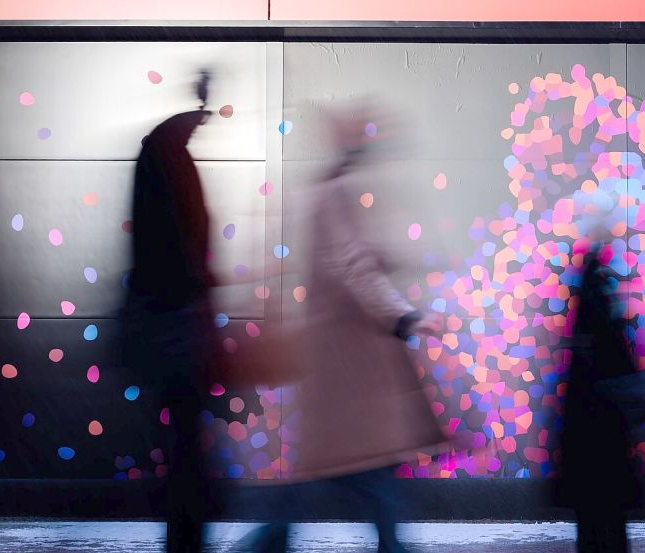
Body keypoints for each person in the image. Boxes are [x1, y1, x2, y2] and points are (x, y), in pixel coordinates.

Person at [233, 105, 446, 553]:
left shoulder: (331, 191)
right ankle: (275, 541)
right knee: (361, 465)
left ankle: (274, 540)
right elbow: (353, 266)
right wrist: (404, 316)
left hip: (345, 360)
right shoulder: (339, 193)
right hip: (351, 362)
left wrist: (403, 263)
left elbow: (355, 260)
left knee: (344, 464)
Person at [122, 70, 222, 553]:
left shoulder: (160, 159)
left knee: (182, 435)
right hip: (177, 322)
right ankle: (187, 533)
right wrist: (200, 279)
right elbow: (180, 248)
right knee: (187, 436)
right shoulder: (169, 161)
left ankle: (185, 532)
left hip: (169, 321)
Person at [555, 244, 641, 553]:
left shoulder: (582, 328)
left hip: (587, 443)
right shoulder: (604, 318)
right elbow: (620, 366)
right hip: (606, 439)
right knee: (609, 520)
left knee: (592, 521)